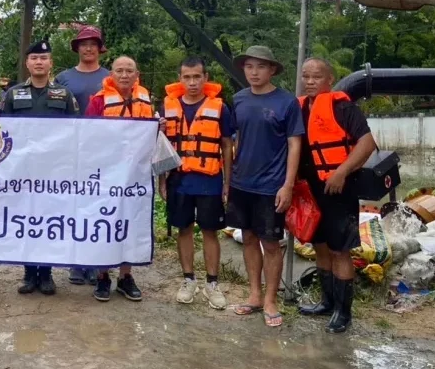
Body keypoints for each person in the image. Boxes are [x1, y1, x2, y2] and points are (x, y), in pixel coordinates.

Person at [297, 58, 376, 333]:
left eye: (316, 77)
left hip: (338, 188)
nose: (309, 81)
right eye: (305, 76)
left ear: (329, 80)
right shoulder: (298, 109)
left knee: (339, 250)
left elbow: (367, 143)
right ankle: (327, 302)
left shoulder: (343, 108)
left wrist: (341, 172)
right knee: (319, 246)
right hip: (310, 189)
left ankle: (344, 312)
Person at [226, 46, 303, 327]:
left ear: (272, 70)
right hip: (241, 183)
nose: (254, 72)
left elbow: (295, 145)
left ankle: (271, 300)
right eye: (249, 67)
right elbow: (232, 140)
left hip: (271, 186)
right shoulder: (239, 99)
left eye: (260, 67)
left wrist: (288, 185)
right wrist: (228, 181)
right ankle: (255, 295)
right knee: (248, 238)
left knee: (270, 243)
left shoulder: (287, 102)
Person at [1, 40, 79, 296]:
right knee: (25, 220)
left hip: (53, 172)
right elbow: (3, 131)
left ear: (50, 63)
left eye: (43, 58)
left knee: (48, 221)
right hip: (22, 171)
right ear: (27, 63)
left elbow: (77, 131)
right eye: (34, 58)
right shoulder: (12, 94)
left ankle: (46, 273)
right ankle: (28, 273)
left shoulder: (64, 95)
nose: (38, 62)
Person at [159, 57, 234, 310]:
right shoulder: (167, 107)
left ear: (205, 78)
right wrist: (162, 179)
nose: (192, 82)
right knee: (184, 229)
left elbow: (227, 146)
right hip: (178, 180)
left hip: (209, 180)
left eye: (197, 77)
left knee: (210, 231)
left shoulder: (220, 108)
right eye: (187, 77)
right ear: (180, 79)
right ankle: (188, 280)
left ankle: (212, 283)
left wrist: (227, 182)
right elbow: (161, 146)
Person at [85, 55, 152, 302]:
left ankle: (126, 276)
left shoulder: (146, 99)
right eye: (119, 71)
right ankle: (103, 275)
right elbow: (86, 136)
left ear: (137, 75)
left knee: (131, 222)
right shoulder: (98, 101)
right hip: (106, 173)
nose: (124, 75)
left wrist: (160, 126)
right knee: (105, 221)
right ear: (111, 74)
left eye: (129, 71)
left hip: (136, 174)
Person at [55, 25, 109, 286]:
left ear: (100, 48)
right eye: (84, 44)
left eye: (93, 44)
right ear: (77, 48)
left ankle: (95, 261)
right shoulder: (63, 78)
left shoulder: (111, 77)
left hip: (104, 151)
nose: (88, 48)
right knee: (73, 205)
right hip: (72, 150)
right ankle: (75, 262)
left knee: (98, 206)